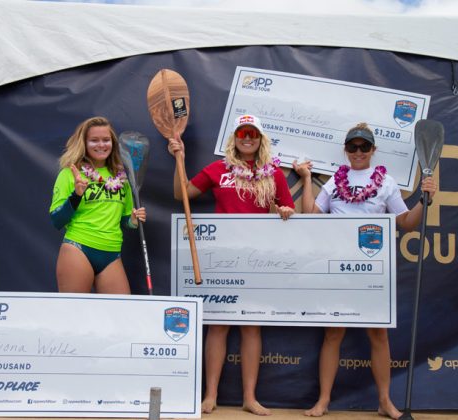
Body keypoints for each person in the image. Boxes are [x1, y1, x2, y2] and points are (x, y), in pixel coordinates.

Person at [293, 122, 437, 419]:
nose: (357, 152)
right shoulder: (334, 181)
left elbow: (406, 222)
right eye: (352, 147)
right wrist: (307, 179)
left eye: (363, 147)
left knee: (378, 335)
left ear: (373, 150)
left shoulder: (386, 183)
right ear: (345, 150)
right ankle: (323, 401)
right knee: (333, 334)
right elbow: (310, 217)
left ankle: (384, 401)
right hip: (336, 267)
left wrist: (427, 200)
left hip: (372, 270)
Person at [167, 114, 295, 416]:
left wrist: (285, 210)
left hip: (257, 259)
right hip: (222, 257)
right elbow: (180, 193)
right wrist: (180, 158)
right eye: (241, 133)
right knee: (218, 325)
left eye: (252, 133)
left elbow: (290, 207)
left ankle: (249, 398)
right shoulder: (218, 169)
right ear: (234, 138)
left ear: (260, 138)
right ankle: (210, 395)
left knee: (251, 326)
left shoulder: (273, 174)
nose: (247, 138)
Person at [50, 116, 146, 294]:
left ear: (113, 143)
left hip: (111, 252)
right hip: (79, 248)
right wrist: (76, 196)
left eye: (106, 140)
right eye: (94, 140)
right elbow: (56, 220)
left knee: (118, 315)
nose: (101, 145)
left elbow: (124, 220)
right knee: (74, 314)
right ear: (84, 143)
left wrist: (132, 220)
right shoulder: (70, 173)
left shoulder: (122, 177)